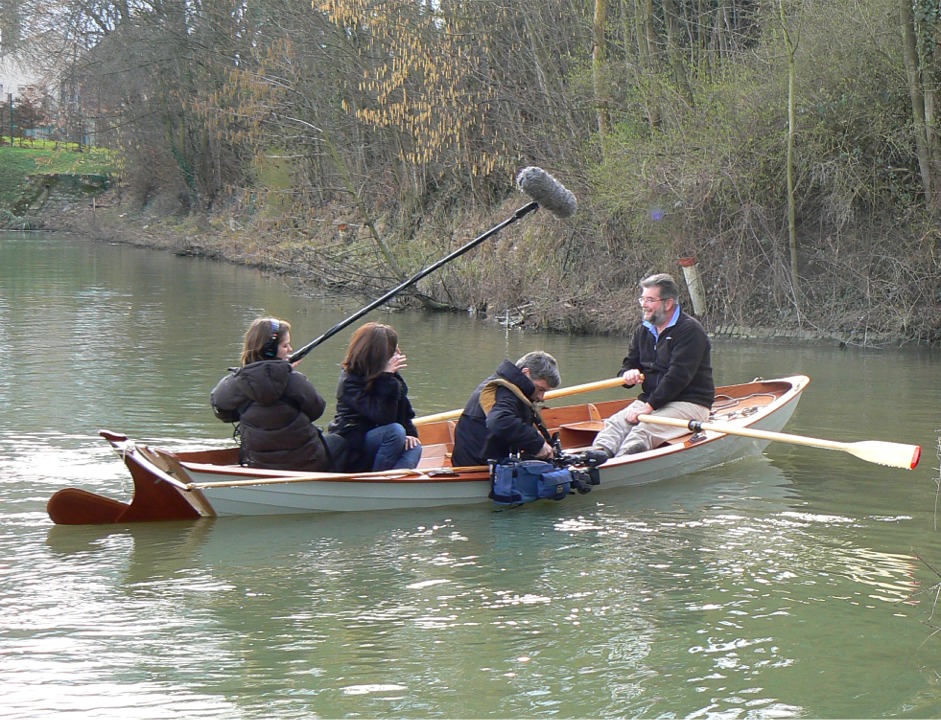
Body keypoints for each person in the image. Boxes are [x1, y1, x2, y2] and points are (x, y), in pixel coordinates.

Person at [593, 273, 715, 457]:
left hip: (690, 402)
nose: (644, 304)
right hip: (652, 400)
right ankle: (595, 457)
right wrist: (628, 374)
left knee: (644, 429)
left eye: (650, 300)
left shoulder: (690, 331)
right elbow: (628, 364)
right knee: (615, 424)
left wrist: (648, 407)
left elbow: (677, 377)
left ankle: (619, 466)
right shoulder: (643, 330)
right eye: (642, 298)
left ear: (668, 303)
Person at [210, 317, 340, 471]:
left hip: (258, 464)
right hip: (308, 464)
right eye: (285, 345)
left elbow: (222, 412)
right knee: (339, 441)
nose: (290, 349)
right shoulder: (295, 381)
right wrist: (288, 372)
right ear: (270, 350)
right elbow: (317, 410)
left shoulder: (234, 383)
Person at [327, 322, 422, 472]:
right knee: (395, 432)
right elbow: (383, 417)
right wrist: (387, 378)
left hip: (382, 438)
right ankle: (378, 479)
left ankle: (392, 480)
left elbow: (403, 411)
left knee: (414, 447)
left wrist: (410, 434)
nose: (398, 353)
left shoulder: (388, 376)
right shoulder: (350, 381)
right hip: (356, 441)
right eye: (394, 349)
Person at [451, 351, 561, 467]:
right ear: (526, 373)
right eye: (540, 389)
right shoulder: (504, 391)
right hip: (476, 466)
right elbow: (499, 421)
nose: (540, 397)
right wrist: (538, 444)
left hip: (477, 457)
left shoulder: (502, 382)